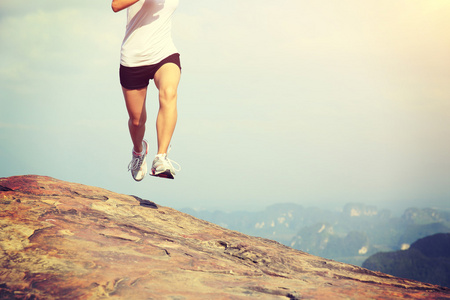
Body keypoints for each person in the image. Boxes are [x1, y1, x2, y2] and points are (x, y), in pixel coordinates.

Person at [112, 0, 181, 181]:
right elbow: (116, 5)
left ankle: (161, 158)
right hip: (133, 59)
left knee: (169, 92)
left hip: (164, 54)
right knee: (137, 121)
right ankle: (138, 151)